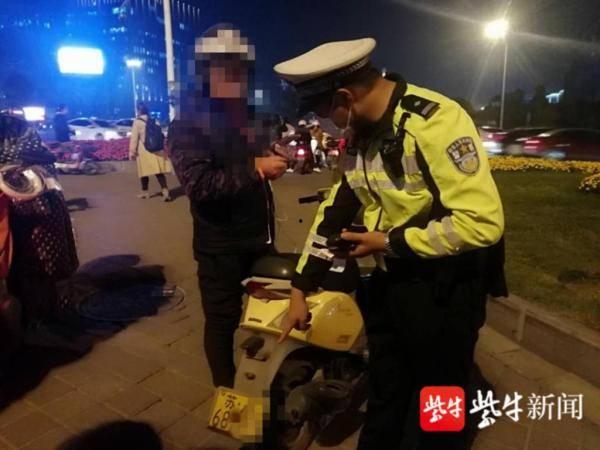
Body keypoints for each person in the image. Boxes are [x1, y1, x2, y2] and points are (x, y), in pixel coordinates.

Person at [275, 38, 507, 450]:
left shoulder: (435, 121)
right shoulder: (361, 135)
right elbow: (335, 210)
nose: (323, 123)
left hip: (447, 290)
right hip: (390, 284)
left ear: (345, 98)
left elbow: (482, 222)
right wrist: (299, 288)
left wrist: (388, 241)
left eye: (323, 112)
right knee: (386, 387)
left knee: (440, 399)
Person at [168, 23, 287, 388]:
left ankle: (269, 385)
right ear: (205, 71)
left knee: (272, 316)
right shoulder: (187, 124)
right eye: (224, 67)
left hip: (259, 241)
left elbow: (254, 164)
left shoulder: (247, 119)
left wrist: (273, 158)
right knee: (222, 324)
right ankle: (227, 396)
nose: (235, 76)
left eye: (240, 68)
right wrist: (256, 169)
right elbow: (199, 185)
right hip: (219, 249)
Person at [129, 103, 172, 201]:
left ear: (138, 110)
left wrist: (132, 152)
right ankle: (165, 191)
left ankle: (145, 192)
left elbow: (134, 138)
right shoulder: (154, 120)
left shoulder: (137, 122)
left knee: (144, 172)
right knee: (159, 172)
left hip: (144, 150)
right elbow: (160, 134)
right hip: (156, 149)